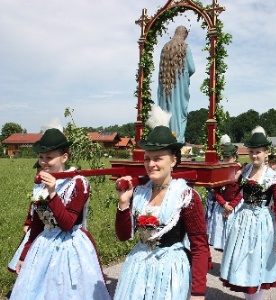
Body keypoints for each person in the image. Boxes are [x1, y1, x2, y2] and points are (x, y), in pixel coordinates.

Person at [114, 105, 208, 300]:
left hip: (171, 271)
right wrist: (123, 204)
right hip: (138, 267)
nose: (151, 164)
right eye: (147, 159)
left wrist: (198, 292)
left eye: (158, 158)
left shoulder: (186, 197)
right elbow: (123, 236)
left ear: (173, 160)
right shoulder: (139, 193)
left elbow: (199, 246)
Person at [10, 128, 110, 299]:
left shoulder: (78, 183)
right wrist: (24, 255)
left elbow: (67, 224)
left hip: (70, 246)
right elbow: (37, 224)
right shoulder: (40, 184)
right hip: (44, 244)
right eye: (41, 157)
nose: (43, 162)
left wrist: (52, 193)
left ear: (64, 157)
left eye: (49, 157)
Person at [220, 126, 276, 300]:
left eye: (258, 152)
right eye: (251, 152)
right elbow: (234, 194)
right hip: (243, 220)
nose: (254, 155)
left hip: (262, 222)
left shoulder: (273, 176)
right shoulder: (245, 171)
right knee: (243, 265)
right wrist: (230, 198)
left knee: (258, 264)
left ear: (266, 152)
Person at [157, 25, 195, 143]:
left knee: (166, 110)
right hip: (179, 86)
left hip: (165, 86)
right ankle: (177, 139)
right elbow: (192, 68)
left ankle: (164, 137)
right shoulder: (185, 48)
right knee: (180, 113)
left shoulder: (165, 48)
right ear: (184, 34)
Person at [206, 134, 242, 251]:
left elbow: (241, 192)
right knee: (223, 241)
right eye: (224, 158)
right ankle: (225, 266)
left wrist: (231, 205)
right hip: (222, 206)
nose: (226, 161)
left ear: (235, 158)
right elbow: (215, 191)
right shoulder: (220, 171)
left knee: (235, 241)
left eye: (229, 158)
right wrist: (223, 204)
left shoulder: (240, 172)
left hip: (235, 208)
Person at [7, 161, 41, 274]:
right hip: (34, 227)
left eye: (41, 171)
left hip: (44, 229)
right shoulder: (37, 187)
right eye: (38, 172)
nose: (39, 174)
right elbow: (32, 208)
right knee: (26, 251)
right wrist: (27, 222)